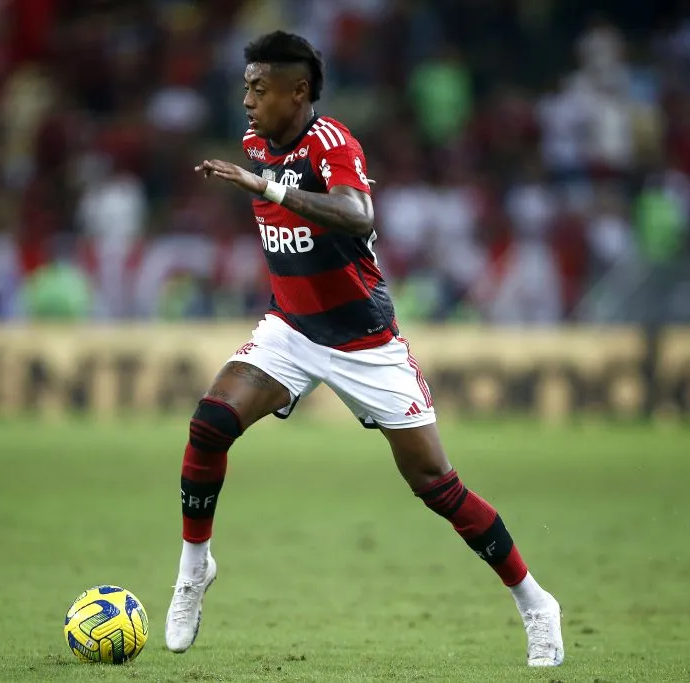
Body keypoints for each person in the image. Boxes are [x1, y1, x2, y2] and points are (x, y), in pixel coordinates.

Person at [165, 31, 564, 667]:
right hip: (291, 331)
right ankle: (193, 571)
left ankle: (536, 603)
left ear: (297, 92)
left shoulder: (333, 143)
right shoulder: (252, 145)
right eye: (245, 87)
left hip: (365, 343)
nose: (246, 100)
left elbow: (359, 217)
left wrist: (264, 189)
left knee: (436, 484)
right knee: (210, 422)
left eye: (258, 88)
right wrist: (258, 181)